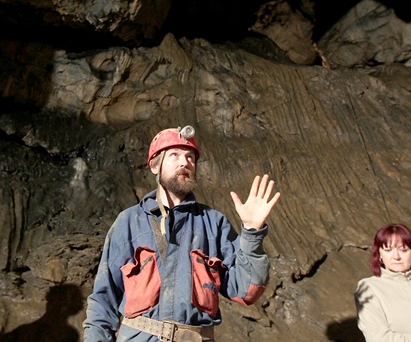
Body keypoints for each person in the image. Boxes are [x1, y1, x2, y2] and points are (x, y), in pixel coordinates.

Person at [83, 125, 281, 341]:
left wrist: (252, 232)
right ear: (154, 166)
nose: (184, 162)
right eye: (174, 155)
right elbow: (103, 302)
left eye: (190, 157)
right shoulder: (129, 222)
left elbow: (245, 291)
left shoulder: (214, 223)